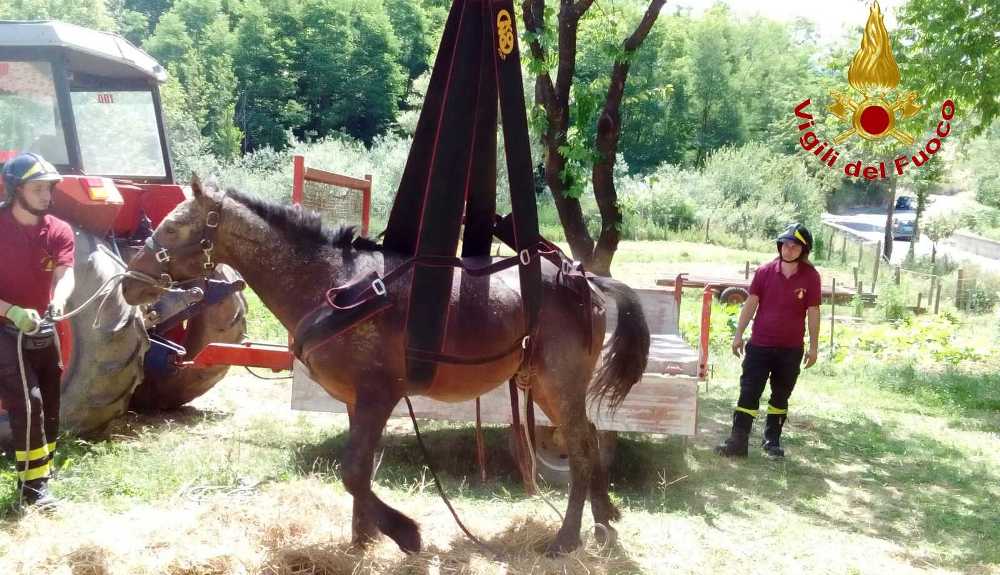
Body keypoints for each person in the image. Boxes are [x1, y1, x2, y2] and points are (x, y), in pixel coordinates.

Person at [0, 152, 75, 508]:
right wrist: (12, 311)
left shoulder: (58, 229)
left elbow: (65, 274)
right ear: (17, 190)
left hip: (41, 326)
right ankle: (32, 492)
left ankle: (44, 469)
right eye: (38, 188)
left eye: (49, 188)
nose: (47, 195)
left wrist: (57, 301)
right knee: (27, 403)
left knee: (50, 400)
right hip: (3, 329)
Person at [715, 223, 820, 459]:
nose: (789, 249)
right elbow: (750, 303)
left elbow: (813, 312)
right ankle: (737, 442)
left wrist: (813, 347)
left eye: (795, 246)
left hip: (791, 349)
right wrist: (738, 334)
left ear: (804, 250)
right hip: (760, 346)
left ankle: (772, 442)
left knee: (781, 396)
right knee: (749, 393)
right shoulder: (764, 271)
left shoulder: (811, 277)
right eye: (785, 244)